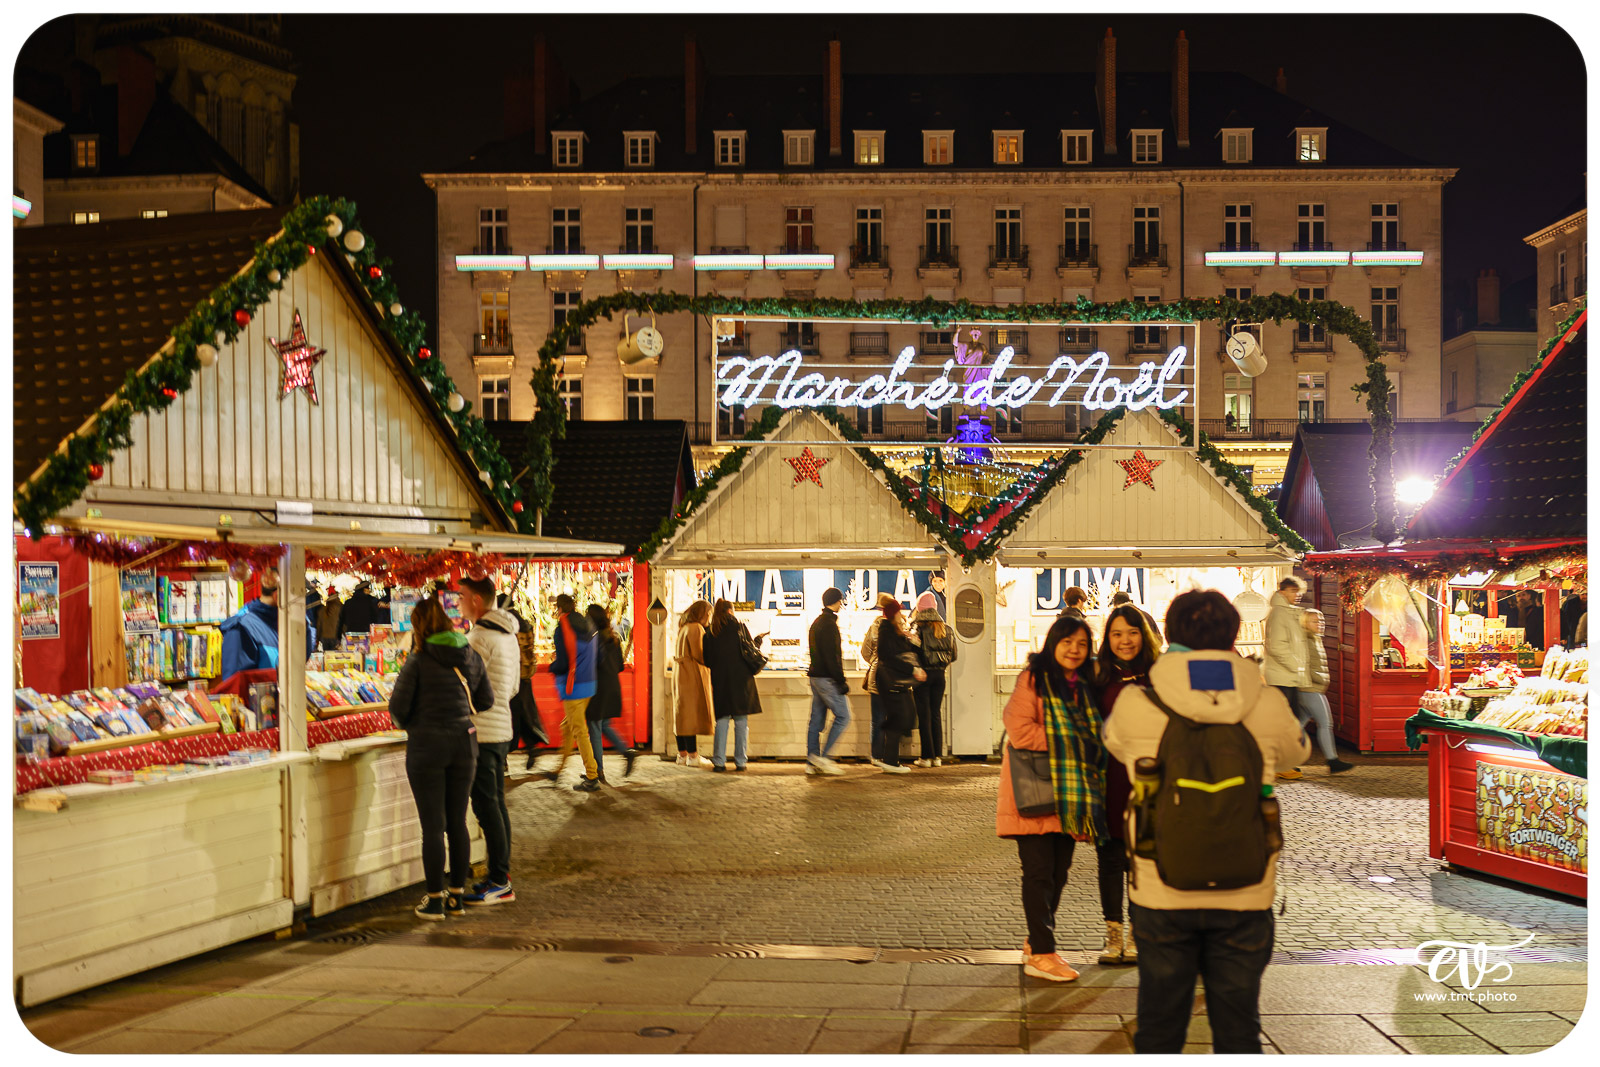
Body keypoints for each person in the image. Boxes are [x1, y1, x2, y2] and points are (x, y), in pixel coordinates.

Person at [1104, 590, 1311, 1054]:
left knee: (1159, 1027)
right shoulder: (1266, 701)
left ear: (1169, 633)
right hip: (1246, 891)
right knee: (1238, 1031)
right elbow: (1297, 752)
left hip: (1160, 888)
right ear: (1233, 634)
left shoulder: (1139, 702)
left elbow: (1115, 744)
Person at [996, 614, 1107, 983]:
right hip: (1035, 790)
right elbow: (1019, 729)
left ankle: (1035, 943)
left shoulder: (1087, 684)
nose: (1074, 650)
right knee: (1039, 873)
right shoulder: (1034, 678)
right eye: (1067, 642)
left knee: (1059, 874)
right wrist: (1071, 740)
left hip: (1069, 797)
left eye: (1082, 644)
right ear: (1053, 643)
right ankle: (1043, 953)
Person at [386, 597, 493, 921]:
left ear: (419, 627)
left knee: (433, 826)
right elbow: (486, 700)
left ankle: (434, 901)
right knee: (458, 822)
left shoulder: (418, 660)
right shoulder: (469, 654)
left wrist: (415, 722)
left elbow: (397, 709)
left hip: (427, 747)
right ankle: (456, 898)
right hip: (464, 744)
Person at [1091, 604, 1161, 965]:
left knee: (1141, 859)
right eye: (1117, 634)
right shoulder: (1099, 675)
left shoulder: (1159, 675)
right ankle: (1112, 934)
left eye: (1132, 632)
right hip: (1108, 777)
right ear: (1108, 638)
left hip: (1148, 779)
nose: (1125, 641)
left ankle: (1137, 932)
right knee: (1109, 858)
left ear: (1143, 635)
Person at [457, 576, 520, 905]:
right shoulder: (508, 635)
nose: (458, 602)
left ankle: (499, 880)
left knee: (486, 807)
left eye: (461, 595)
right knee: (496, 804)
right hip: (501, 727)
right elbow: (514, 687)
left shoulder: (478, 638)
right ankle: (500, 876)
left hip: (481, 730)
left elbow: (464, 688)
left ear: (477, 600)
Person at [547, 593, 601, 792]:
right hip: (590, 684)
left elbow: (562, 664)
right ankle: (558, 769)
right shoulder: (588, 624)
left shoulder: (562, 629)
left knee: (579, 731)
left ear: (560, 609)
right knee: (568, 726)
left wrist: (551, 667)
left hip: (573, 687)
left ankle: (592, 776)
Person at [703, 599, 764, 771]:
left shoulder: (710, 632)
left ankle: (719, 762)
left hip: (720, 680)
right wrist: (758, 641)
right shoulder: (740, 627)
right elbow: (750, 650)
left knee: (722, 721)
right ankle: (740, 762)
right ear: (730, 611)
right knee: (741, 722)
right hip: (741, 680)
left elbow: (707, 660)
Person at [219, 567, 312, 679]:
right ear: (277, 596)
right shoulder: (242, 628)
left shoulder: (289, 622)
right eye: (297, 598)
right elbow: (234, 683)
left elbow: (299, 664)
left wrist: (303, 625)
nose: (302, 604)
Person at [862, 593, 918, 773]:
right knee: (893, 718)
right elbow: (895, 655)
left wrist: (873, 661)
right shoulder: (894, 628)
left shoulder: (875, 627)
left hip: (878, 677)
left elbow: (865, 651)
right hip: (889, 678)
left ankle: (877, 755)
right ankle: (889, 758)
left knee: (878, 719)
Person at [1262, 576, 1309, 781]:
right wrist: (1296, 666)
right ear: (1282, 592)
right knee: (1285, 723)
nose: (1297, 595)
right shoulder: (1280, 613)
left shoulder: (1288, 612)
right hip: (1282, 677)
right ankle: (1280, 764)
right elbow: (1277, 646)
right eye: (1292, 591)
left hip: (1288, 676)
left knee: (1290, 721)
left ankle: (1284, 763)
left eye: (1298, 591)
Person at [585, 603, 638, 782]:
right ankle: (627, 752)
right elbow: (619, 666)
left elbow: (589, 666)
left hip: (597, 688)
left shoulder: (593, 639)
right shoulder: (613, 639)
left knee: (594, 727)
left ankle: (597, 770)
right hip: (612, 686)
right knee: (604, 725)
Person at [1299, 609, 1353, 774]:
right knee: (1325, 723)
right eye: (1315, 621)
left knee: (1297, 725)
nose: (1320, 624)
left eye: (1321, 621)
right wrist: (1318, 679)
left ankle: (1286, 757)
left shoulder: (1314, 639)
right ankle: (1332, 760)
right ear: (1305, 623)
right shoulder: (1306, 641)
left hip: (1312, 687)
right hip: (1310, 688)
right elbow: (1304, 665)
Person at [874, 600, 926, 774]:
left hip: (895, 681)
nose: (901, 614)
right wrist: (913, 669)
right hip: (890, 681)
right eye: (898, 612)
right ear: (893, 614)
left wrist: (911, 642)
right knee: (900, 717)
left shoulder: (894, 631)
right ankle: (890, 761)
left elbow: (900, 652)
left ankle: (890, 760)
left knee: (905, 716)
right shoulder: (886, 631)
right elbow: (889, 657)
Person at [805, 587, 851, 775]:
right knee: (843, 716)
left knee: (816, 721)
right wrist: (841, 681)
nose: (841, 604)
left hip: (815, 677)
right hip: (827, 678)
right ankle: (824, 758)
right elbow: (833, 657)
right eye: (840, 601)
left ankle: (812, 761)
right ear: (835, 601)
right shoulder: (830, 625)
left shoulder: (816, 623)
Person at [912, 591, 956, 768]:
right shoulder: (947, 629)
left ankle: (926, 757)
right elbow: (954, 655)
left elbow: (913, 654)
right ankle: (937, 756)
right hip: (940, 676)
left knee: (924, 716)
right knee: (936, 714)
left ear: (920, 609)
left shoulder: (918, 629)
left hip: (923, 676)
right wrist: (941, 665)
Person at [675, 600, 715, 766]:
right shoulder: (696, 628)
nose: (710, 618)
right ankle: (693, 756)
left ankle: (682, 754)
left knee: (681, 715)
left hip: (681, 673)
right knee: (690, 716)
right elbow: (699, 654)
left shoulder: (683, 627)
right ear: (703, 614)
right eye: (709, 614)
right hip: (691, 674)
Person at [317, 586, 344, 652]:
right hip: (335, 636)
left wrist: (318, 638)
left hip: (324, 637)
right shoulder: (340, 608)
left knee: (327, 656)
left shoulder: (322, 609)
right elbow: (342, 623)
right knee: (334, 657)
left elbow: (319, 625)